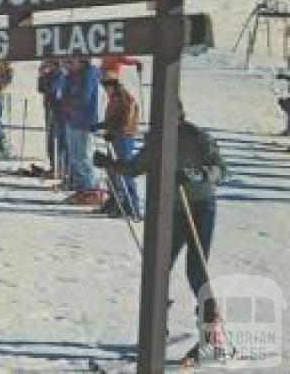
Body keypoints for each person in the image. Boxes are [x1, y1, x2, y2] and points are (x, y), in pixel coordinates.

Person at [94, 104, 228, 363]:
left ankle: (212, 336)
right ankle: (157, 328)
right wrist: (110, 163)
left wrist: (196, 175)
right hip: (174, 209)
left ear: (180, 115)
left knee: (196, 270)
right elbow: (135, 167)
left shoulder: (197, 137)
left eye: (170, 116)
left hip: (199, 207)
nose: (164, 122)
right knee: (159, 267)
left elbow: (221, 169)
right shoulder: (157, 141)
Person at [96, 70, 141, 219]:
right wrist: (101, 126)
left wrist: (114, 132)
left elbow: (127, 121)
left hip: (124, 139)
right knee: (112, 170)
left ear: (114, 84)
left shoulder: (125, 98)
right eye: (103, 84)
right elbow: (113, 119)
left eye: (107, 84)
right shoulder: (114, 98)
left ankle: (131, 205)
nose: (105, 88)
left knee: (124, 170)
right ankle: (115, 201)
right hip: (115, 137)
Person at [63, 59, 104, 205]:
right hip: (72, 120)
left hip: (85, 121)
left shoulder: (89, 74)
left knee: (84, 157)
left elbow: (84, 97)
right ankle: (82, 189)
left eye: (69, 62)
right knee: (75, 157)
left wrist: (69, 101)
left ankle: (91, 190)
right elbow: (63, 94)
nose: (66, 66)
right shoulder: (70, 75)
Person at [37, 59, 68, 178]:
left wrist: (45, 79)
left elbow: (53, 90)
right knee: (51, 139)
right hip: (50, 108)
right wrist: (42, 76)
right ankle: (55, 166)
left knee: (59, 140)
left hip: (59, 111)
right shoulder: (50, 74)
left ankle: (61, 168)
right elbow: (41, 89)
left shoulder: (61, 74)